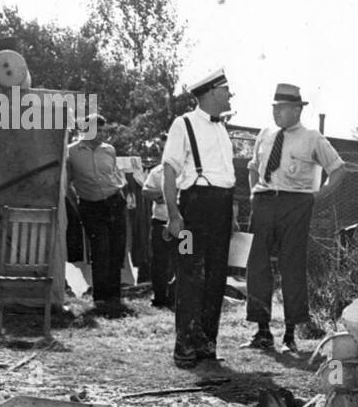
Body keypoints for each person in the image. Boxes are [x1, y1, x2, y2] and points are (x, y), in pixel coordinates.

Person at [245, 83, 346, 353]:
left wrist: (317, 196)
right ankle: (262, 330)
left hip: (296, 202)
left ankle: (290, 334)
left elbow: (337, 169)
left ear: (296, 110)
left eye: (282, 109)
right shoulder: (265, 134)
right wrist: (254, 194)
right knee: (257, 265)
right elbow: (253, 167)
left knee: (292, 267)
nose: (277, 113)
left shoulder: (313, 138)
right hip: (265, 201)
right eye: (274, 108)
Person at [161, 68, 236, 368]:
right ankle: (185, 344)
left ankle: (207, 341)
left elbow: (227, 177)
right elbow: (169, 171)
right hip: (192, 210)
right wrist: (173, 215)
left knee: (216, 276)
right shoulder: (184, 124)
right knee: (189, 272)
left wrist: (230, 215)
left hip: (220, 208)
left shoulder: (221, 129)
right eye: (226, 90)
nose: (230, 95)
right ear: (211, 93)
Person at [66, 115, 128, 315]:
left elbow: (116, 175)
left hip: (115, 201)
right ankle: (100, 297)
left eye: (103, 130)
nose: (102, 134)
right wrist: (76, 203)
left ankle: (115, 296)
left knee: (117, 249)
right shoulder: (72, 152)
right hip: (91, 206)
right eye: (98, 130)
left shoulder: (109, 150)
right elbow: (66, 183)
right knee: (100, 249)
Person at [141, 155, 175, 308]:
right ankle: (160, 296)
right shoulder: (157, 171)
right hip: (160, 222)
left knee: (185, 257)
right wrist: (165, 195)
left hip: (185, 226)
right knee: (159, 261)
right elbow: (146, 191)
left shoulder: (189, 170)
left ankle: (179, 294)